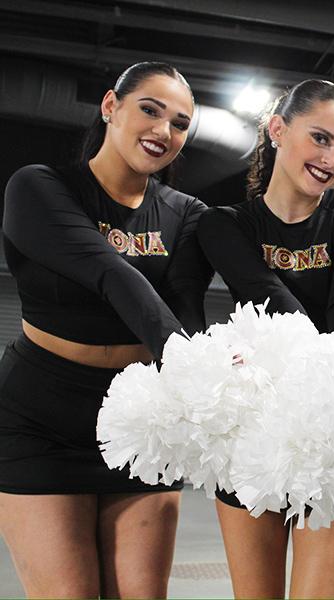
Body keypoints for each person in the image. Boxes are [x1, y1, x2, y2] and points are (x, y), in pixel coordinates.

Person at [0, 61, 211, 597]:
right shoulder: (38, 188)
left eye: (181, 123)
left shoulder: (186, 215)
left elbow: (187, 309)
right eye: (150, 110)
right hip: (41, 418)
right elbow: (111, 274)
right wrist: (189, 358)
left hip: (140, 422)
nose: (165, 131)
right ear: (111, 105)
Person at [197, 79, 334, 599]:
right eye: (320, 138)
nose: (332, 159)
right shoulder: (224, 224)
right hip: (254, 431)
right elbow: (272, 297)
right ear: (278, 129)